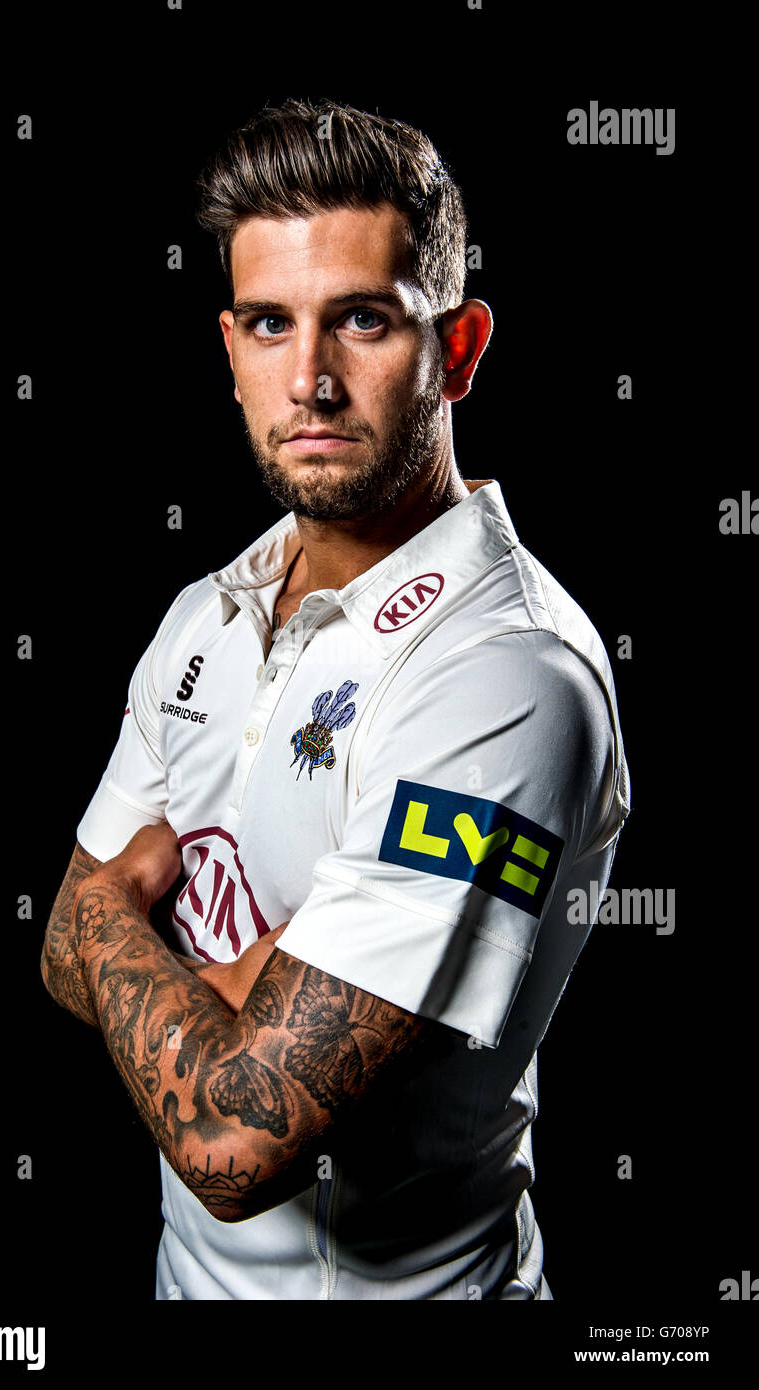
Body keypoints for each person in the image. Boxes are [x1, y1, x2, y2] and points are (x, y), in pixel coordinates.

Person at [40, 98, 630, 1301]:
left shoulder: (507, 677)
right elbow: (54, 951)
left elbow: (235, 1138)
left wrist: (117, 913)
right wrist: (224, 978)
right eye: (270, 324)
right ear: (230, 347)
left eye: (361, 320)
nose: (308, 377)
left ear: (457, 349)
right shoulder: (206, 610)